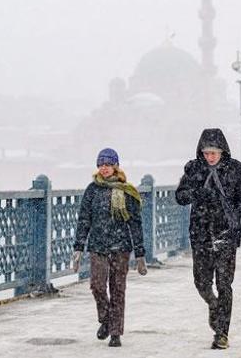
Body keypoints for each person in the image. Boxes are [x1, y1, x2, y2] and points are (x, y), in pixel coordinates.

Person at [175, 128, 241, 350]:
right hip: (200, 233)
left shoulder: (235, 169)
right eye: (206, 152)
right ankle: (213, 304)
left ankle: (222, 332)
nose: (210, 156)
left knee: (224, 283)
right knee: (201, 282)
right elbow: (180, 196)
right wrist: (196, 193)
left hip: (226, 233)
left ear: (223, 151)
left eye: (214, 152)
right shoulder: (193, 169)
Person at [71, 148, 148, 348]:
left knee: (118, 289)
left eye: (108, 164)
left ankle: (115, 332)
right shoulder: (92, 190)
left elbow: (135, 223)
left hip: (121, 246)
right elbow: (84, 220)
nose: (104, 168)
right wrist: (78, 248)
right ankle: (105, 319)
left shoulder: (127, 190)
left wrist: (140, 254)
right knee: (97, 286)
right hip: (98, 245)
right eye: (101, 165)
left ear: (115, 166)